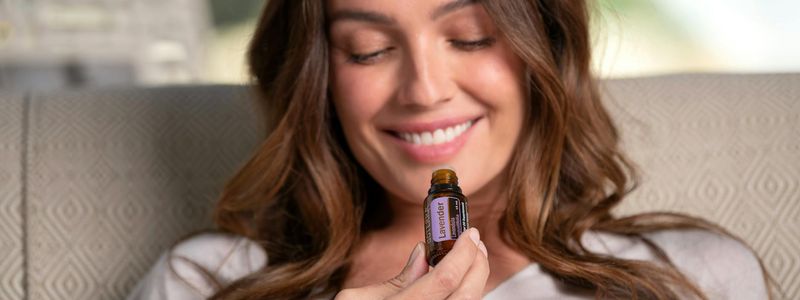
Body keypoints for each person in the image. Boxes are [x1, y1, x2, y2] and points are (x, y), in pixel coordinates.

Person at [127, 0, 772, 299]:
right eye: (369, 49)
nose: (426, 91)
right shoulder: (205, 282)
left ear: (542, 49)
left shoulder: (686, 278)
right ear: (317, 77)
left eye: (469, 36)